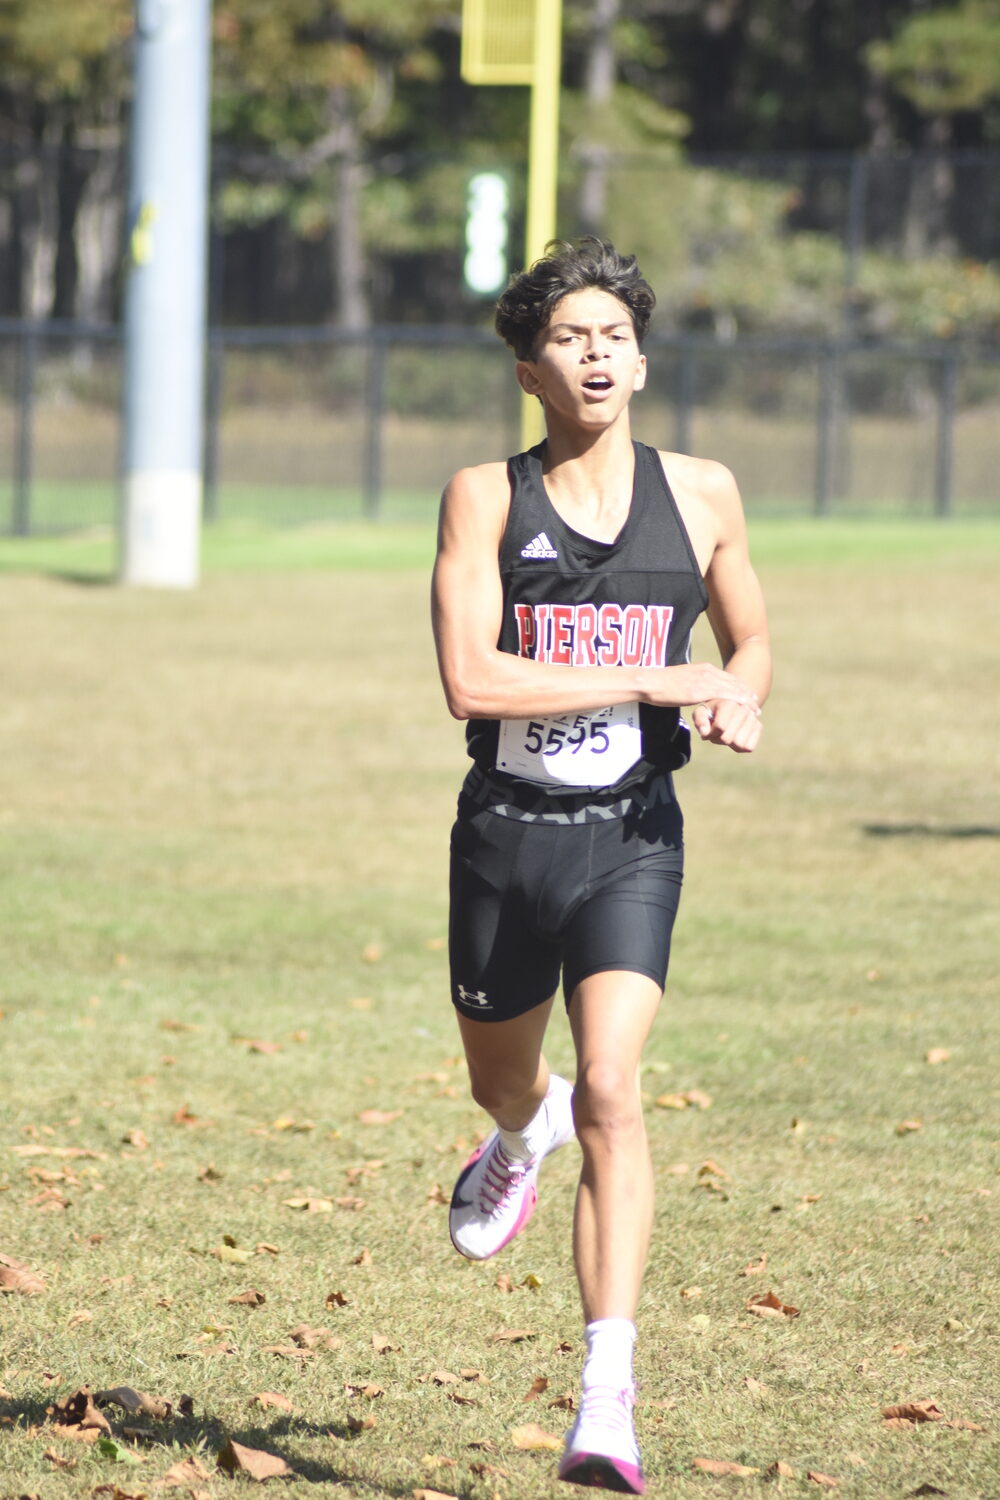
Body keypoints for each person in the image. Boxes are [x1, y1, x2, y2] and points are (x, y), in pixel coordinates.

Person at [431, 238, 771, 1495]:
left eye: (613, 335)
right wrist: (653, 674)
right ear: (530, 369)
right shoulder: (483, 497)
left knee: (618, 1087)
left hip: (632, 836)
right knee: (508, 1083)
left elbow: (751, 638)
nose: (595, 354)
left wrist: (736, 696)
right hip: (504, 839)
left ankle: (607, 1395)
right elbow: (470, 680)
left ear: (640, 354)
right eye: (569, 338)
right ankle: (520, 1137)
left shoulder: (706, 493)